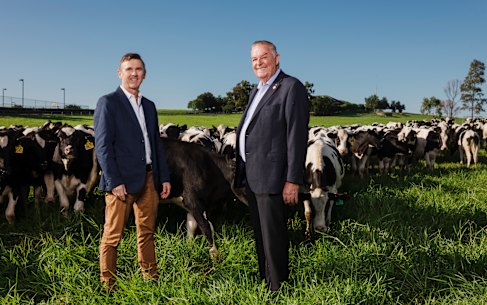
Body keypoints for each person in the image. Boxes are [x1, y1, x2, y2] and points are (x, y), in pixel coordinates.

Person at [235, 40, 309, 291]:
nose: (258, 63)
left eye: (263, 57)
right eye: (254, 59)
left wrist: (292, 180)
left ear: (277, 58)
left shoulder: (290, 87)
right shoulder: (256, 91)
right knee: (261, 234)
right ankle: (265, 281)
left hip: (274, 176)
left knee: (274, 236)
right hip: (253, 176)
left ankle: (278, 288)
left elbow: (296, 137)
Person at [94, 52, 171, 291]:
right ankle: (108, 284)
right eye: (129, 69)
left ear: (144, 74)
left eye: (138, 69)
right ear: (120, 73)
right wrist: (114, 180)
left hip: (149, 178)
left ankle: (150, 277)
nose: (134, 73)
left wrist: (164, 176)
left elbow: (155, 144)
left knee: (147, 232)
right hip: (121, 182)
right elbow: (103, 146)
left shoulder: (149, 106)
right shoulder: (108, 102)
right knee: (112, 236)